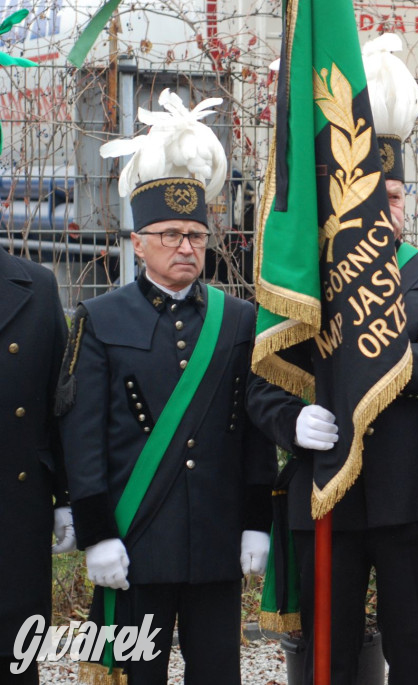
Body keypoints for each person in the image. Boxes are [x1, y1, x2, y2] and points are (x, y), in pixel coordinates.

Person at [250, 33, 418, 685]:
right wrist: (291, 425)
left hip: (411, 489)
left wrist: (386, 354)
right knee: (330, 650)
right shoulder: (304, 285)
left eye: (397, 199)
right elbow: (264, 383)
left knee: (413, 651)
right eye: (374, 200)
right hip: (329, 486)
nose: (386, 213)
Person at [59, 90, 277, 684]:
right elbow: (85, 438)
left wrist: (258, 518)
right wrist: (97, 533)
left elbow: (254, 427)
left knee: (218, 674)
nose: (187, 247)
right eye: (171, 234)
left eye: (197, 236)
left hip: (215, 538)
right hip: (136, 539)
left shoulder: (238, 320)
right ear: (139, 242)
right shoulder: (101, 321)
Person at [0, 248, 75, 683]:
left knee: (15, 654)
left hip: (17, 508)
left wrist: (66, 497)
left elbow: (59, 401)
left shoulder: (35, 285)